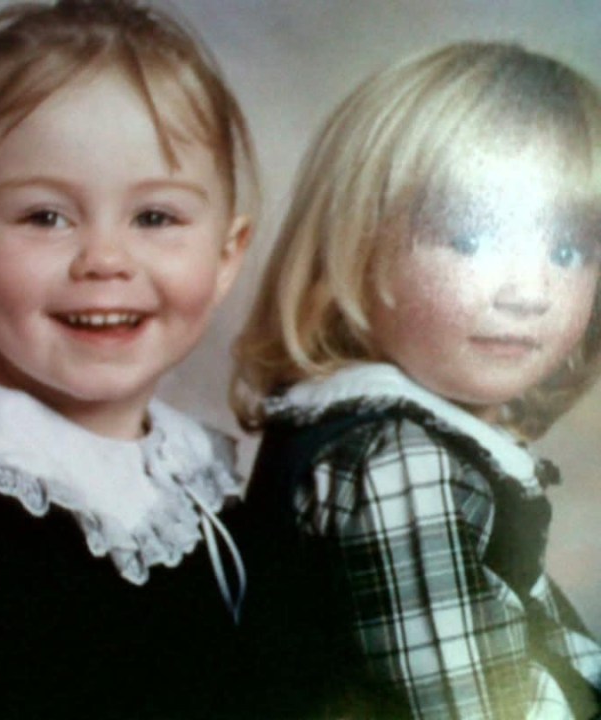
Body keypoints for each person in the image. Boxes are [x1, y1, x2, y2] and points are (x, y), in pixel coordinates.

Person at [0, 1, 260, 717]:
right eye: (45, 217)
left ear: (227, 253)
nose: (105, 260)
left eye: (155, 217)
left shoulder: (194, 474)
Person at [232, 41, 601, 719]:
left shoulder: (407, 439)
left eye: (567, 249)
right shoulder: (400, 462)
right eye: (470, 239)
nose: (529, 292)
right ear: (357, 240)